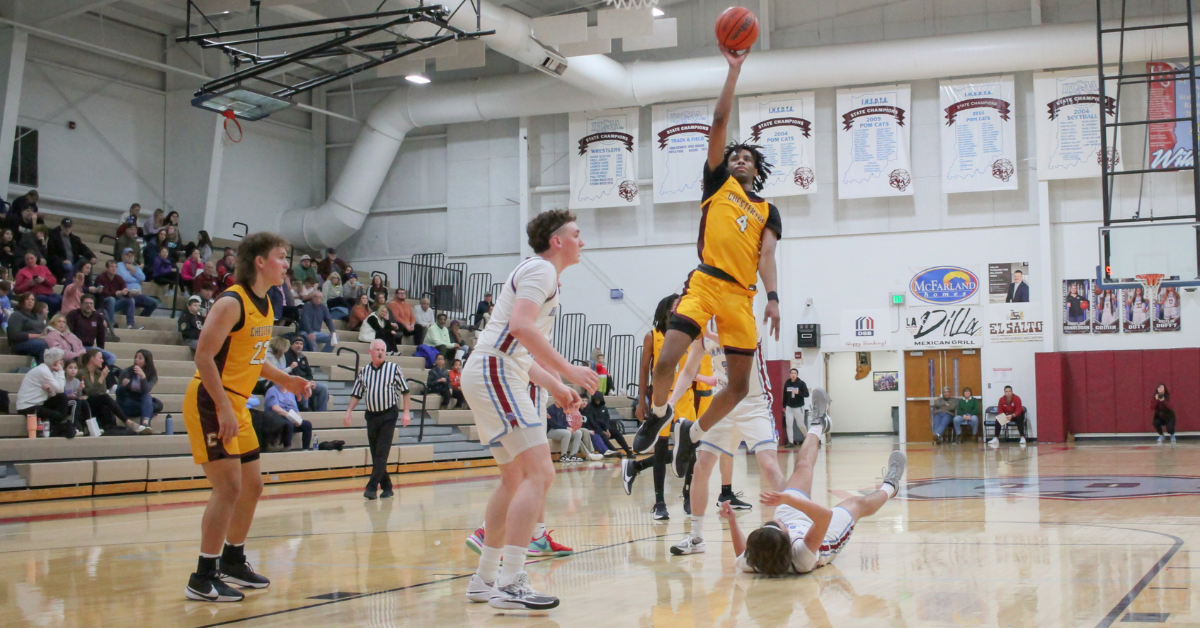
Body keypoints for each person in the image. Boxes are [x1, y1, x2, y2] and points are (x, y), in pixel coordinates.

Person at [633, 42, 782, 469]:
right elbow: (719, 120)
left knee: (736, 386)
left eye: (746, 156)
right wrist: (733, 70)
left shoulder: (767, 209)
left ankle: (692, 434)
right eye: (734, 154)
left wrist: (773, 298)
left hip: (742, 295)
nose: (738, 157)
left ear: (756, 169)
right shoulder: (719, 185)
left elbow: (766, 255)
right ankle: (661, 413)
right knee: (666, 360)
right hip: (706, 280)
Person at [460, 210, 598, 611]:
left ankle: (485, 579)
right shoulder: (541, 271)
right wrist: (567, 368)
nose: (581, 241)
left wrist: (556, 386)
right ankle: (511, 582)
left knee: (515, 477)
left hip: (495, 370)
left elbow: (517, 345)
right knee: (540, 472)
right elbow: (521, 327)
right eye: (576, 234)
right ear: (557, 241)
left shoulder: (538, 273)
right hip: (494, 372)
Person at [182, 232, 313, 603]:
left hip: (235, 403)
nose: (286, 264)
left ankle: (233, 559)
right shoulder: (231, 301)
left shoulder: (268, 305)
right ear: (259, 261)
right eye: (281, 257)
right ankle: (202, 576)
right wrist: (223, 407)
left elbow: (254, 359)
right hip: (210, 400)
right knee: (228, 488)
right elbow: (203, 357)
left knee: (252, 486)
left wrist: (285, 378)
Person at [660, 328, 786, 557]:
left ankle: (794, 527)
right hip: (723, 403)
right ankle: (696, 536)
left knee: (769, 466)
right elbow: (689, 370)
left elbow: (745, 337)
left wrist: (709, 333)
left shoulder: (742, 316)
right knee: (701, 467)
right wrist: (670, 403)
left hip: (754, 403)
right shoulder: (703, 332)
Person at [725, 427, 905, 576]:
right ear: (787, 540)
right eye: (778, 523)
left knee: (803, 466)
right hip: (827, 535)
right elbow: (824, 517)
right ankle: (890, 486)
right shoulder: (802, 558)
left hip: (794, 522)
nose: (777, 519)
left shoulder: (756, 558)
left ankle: (817, 424)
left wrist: (732, 521)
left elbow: (741, 553)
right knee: (857, 503)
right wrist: (789, 500)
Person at [629, 294, 690, 520]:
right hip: (660, 399)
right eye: (676, 306)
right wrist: (642, 400)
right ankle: (659, 502)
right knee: (662, 449)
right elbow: (644, 369)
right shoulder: (651, 336)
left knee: (690, 447)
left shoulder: (687, 333)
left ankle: (688, 496)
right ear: (665, 310)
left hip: (685, 396)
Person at [344, 339, 412, 499]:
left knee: (382, 452)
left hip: (389, 414)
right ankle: (387, 486)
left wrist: (406, 412)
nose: (380, 352)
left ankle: (371, 487)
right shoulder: (364, 371)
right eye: (377, 349)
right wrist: (348, 411)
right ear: (370, 352)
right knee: (376, 454)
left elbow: (406, 391)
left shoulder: (393, 368)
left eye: (383, 349)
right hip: (371, 415)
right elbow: (356, 394)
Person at [80, 348, 146, 435]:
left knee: (106, 404)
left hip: (98, 404)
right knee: (105, 398)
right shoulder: (81, 373)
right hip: (85, 404)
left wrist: (101, 377)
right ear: (92, 359)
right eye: (100, 358)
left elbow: (102, 391)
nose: (102, 360)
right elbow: (90, 392)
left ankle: (111, 428)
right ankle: (127, 421)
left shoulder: (99, 373)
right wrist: (102, 378)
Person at [15, 347, 72, 438]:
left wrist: (51, 391)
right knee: (59, 415)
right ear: (56, 362)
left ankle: (59, 426)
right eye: (62, 360)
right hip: (27, 406)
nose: (63, 362)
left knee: (62, 397)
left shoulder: (53, 372)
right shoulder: (43, 370)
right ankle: (60, 427)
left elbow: (57, 392)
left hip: (39, 403)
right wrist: (61, 371)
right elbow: (60, 388)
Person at [114, 249, 159, 327]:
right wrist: (136, 279)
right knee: (130, 301)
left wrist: (132, 269)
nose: (130, 257)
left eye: (132, 256)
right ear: (122, 256)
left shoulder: (135, 267)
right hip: (125, 295)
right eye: (127, 255)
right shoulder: (119, 265)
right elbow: (124, 277)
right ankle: (131, 324)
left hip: (138, 295)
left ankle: (141, 320)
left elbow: (142, 278)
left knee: (154, 303)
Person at [67, 294, 117, 364]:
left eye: (91, 303)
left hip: (90, 347)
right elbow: (68, 333)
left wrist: (100, 351)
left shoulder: (98, 316)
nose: (89, 305)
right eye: (86, 303)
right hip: (76, 347)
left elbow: (101, 335)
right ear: (81, 304)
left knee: (111, 357)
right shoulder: (73, 314)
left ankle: (101, 372)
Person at [117, 349, 161, 428]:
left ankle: (144, 423)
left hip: (139, 401)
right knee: (150, 405)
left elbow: (146, 390)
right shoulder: (126, 372)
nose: (136, 360)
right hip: (126, 402)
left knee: (156, 402)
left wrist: (143, 377)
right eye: (136, 357)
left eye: (140, 358)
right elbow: (118, 394)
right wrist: (123, 386)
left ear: (146, 362)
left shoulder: (152, 375)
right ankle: (146, 421)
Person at [285, 337, 329, 412]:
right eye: (297, 343)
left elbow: (309, 373)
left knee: (323, 388)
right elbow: (289, 374)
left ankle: (321, 412)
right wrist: (305, 383)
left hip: (306, 383)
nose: (299, 345)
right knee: (305, 389)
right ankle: (305, 412)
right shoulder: (286, 356)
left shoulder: (303, 358)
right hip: (295, 384)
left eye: (301, 344)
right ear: (291, 345)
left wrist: (310, 381)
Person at [582, 391, 631, 457]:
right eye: (596, 400)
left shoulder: (604, 408)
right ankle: (615, 452)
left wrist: (607, 429)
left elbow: (606, 419)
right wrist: (602, 431)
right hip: (594, 428)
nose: (598, 401)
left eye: (599, 400)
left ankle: (628, 451)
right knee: (603, 435)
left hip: (604, 428)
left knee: (616, 432)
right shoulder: (589, 408)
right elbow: (592, 422)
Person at [265, 384, 313, 451]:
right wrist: (290, 416)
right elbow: (275, 408)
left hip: (291, 417)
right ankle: (287, 448)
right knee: (289, 424)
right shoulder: (272, 391)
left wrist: (298, 419)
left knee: (307, 424)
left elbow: (296, 410)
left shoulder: (291, 393)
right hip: (277, 419)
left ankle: (305, 449)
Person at [47, 217, 95, 282]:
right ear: (61, 226)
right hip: (61, 264)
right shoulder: (54, 239)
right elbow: (51, 254)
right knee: (67, 266)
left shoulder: (74, 239)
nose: (67, 229)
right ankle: (67, 279)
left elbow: (84, 248)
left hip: (74, 263)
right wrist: (62, 261)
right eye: (65, 227)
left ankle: (88, 283)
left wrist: (92, 256)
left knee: (87, 262)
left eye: (69, 227)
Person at [8, 291, 48, 362]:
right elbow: (15, 335)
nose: (30, 302)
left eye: (32, 300)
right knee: (42, 344)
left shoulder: (38, 316)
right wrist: (38, 336)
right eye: (27, 299)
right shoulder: (16, 315)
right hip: (20, 344)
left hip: (39, 340)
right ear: (22, 301)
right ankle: (42, 368)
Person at [782, 368, 809, 446]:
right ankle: (790, 441)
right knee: (789, 424)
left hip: (798, 407)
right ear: (790, 374)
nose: (793, 375)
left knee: (800, 424)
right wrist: (784, 405)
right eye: (792, 373)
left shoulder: (801, 383)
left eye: (795, 373)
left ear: (797, 375)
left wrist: (798, 392)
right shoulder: (787, 383)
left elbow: (806, 394)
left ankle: (807, 438)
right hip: (789, 407)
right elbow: (785, 394)